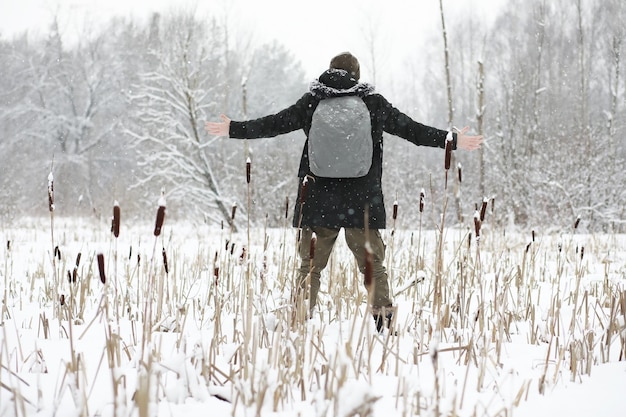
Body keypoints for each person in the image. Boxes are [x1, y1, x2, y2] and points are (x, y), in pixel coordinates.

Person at [205, 52, 482, 332]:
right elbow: (413, 131)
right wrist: (452, 140)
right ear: (357, 76)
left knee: (309, 268)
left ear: (330, 71)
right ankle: (384, 326)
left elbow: (274, 124)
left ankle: (299, 323)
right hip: (362, 201)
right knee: (373, 267)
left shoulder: (313, 102)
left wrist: (233, 129)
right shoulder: (373, 103)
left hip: (317, 199)